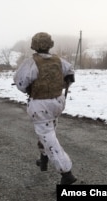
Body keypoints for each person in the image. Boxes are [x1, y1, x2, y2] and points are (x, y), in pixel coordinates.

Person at [13, 32, 76, 185]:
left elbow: (20, 83)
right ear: (50, 45)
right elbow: (70, 74)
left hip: (41, 105)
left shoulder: (30, 62)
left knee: (47, 135)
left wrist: (33, 88)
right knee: (49, 130)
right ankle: (44, 159)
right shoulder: (59, 60)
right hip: (58, 102)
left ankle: (66, 173)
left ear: (34, 46)